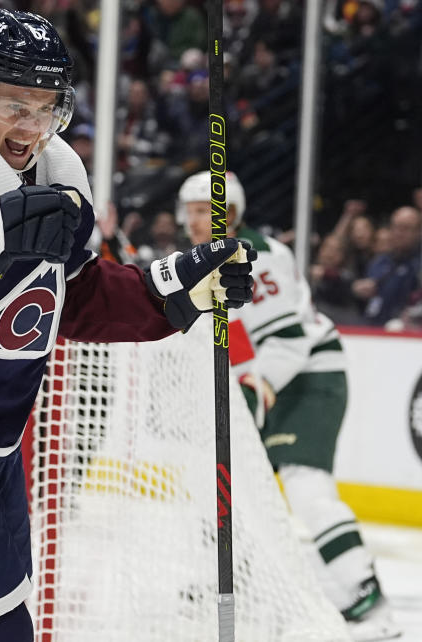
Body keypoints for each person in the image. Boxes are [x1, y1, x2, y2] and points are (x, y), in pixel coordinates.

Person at [0, 10, 256, 641]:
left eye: (48, 108)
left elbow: (71, 295)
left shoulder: (57, 169)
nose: (32, 128)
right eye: (16, 106)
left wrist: (169, 289)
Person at [177, 170, 400, 642]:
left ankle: (364, 594)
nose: (194, 221)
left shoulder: (263, 257)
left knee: (306, 487)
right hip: (264, 382)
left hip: (308, 377)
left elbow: (288, 342)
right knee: (221, 481)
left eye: (203, 211)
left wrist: (255, 388)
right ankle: (235, 577)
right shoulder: (200, 261)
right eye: (190, 211)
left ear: (229, 214)